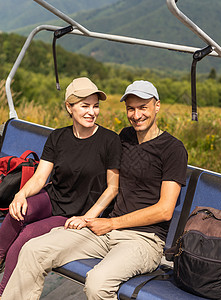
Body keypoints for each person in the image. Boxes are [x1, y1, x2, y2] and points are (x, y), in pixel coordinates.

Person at [2, 80, 188, 300]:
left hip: (143, 239)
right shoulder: (125, 138)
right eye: (131, 108)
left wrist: (109, 222)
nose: (136, 115)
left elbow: (165, 210)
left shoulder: (173, 149)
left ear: (157, 106)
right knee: (34, 250)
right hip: (105, 231)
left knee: (98, 283)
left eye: (143, 108)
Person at [0, 77, 121, 298]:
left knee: (27, 237)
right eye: (85, 106)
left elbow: (113, 188)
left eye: (95, 106)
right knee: (16, 213)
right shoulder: (58, 137)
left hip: (74, 213)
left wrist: (87, 217)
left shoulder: (110, 141)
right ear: (69, 107)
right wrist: (20, 194)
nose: (91, 112)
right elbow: (39, 179)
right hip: (52, 199)